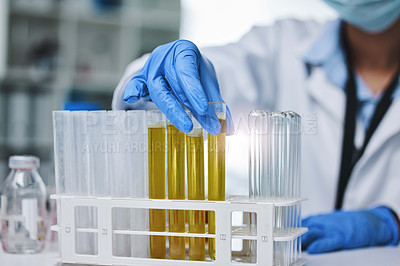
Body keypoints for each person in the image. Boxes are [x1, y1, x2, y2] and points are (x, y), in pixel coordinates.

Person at [112, 0, 400, 254]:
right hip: (291, 256)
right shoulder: (284, 43)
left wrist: (394, 222)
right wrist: (163, 72)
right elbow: (206, 80)